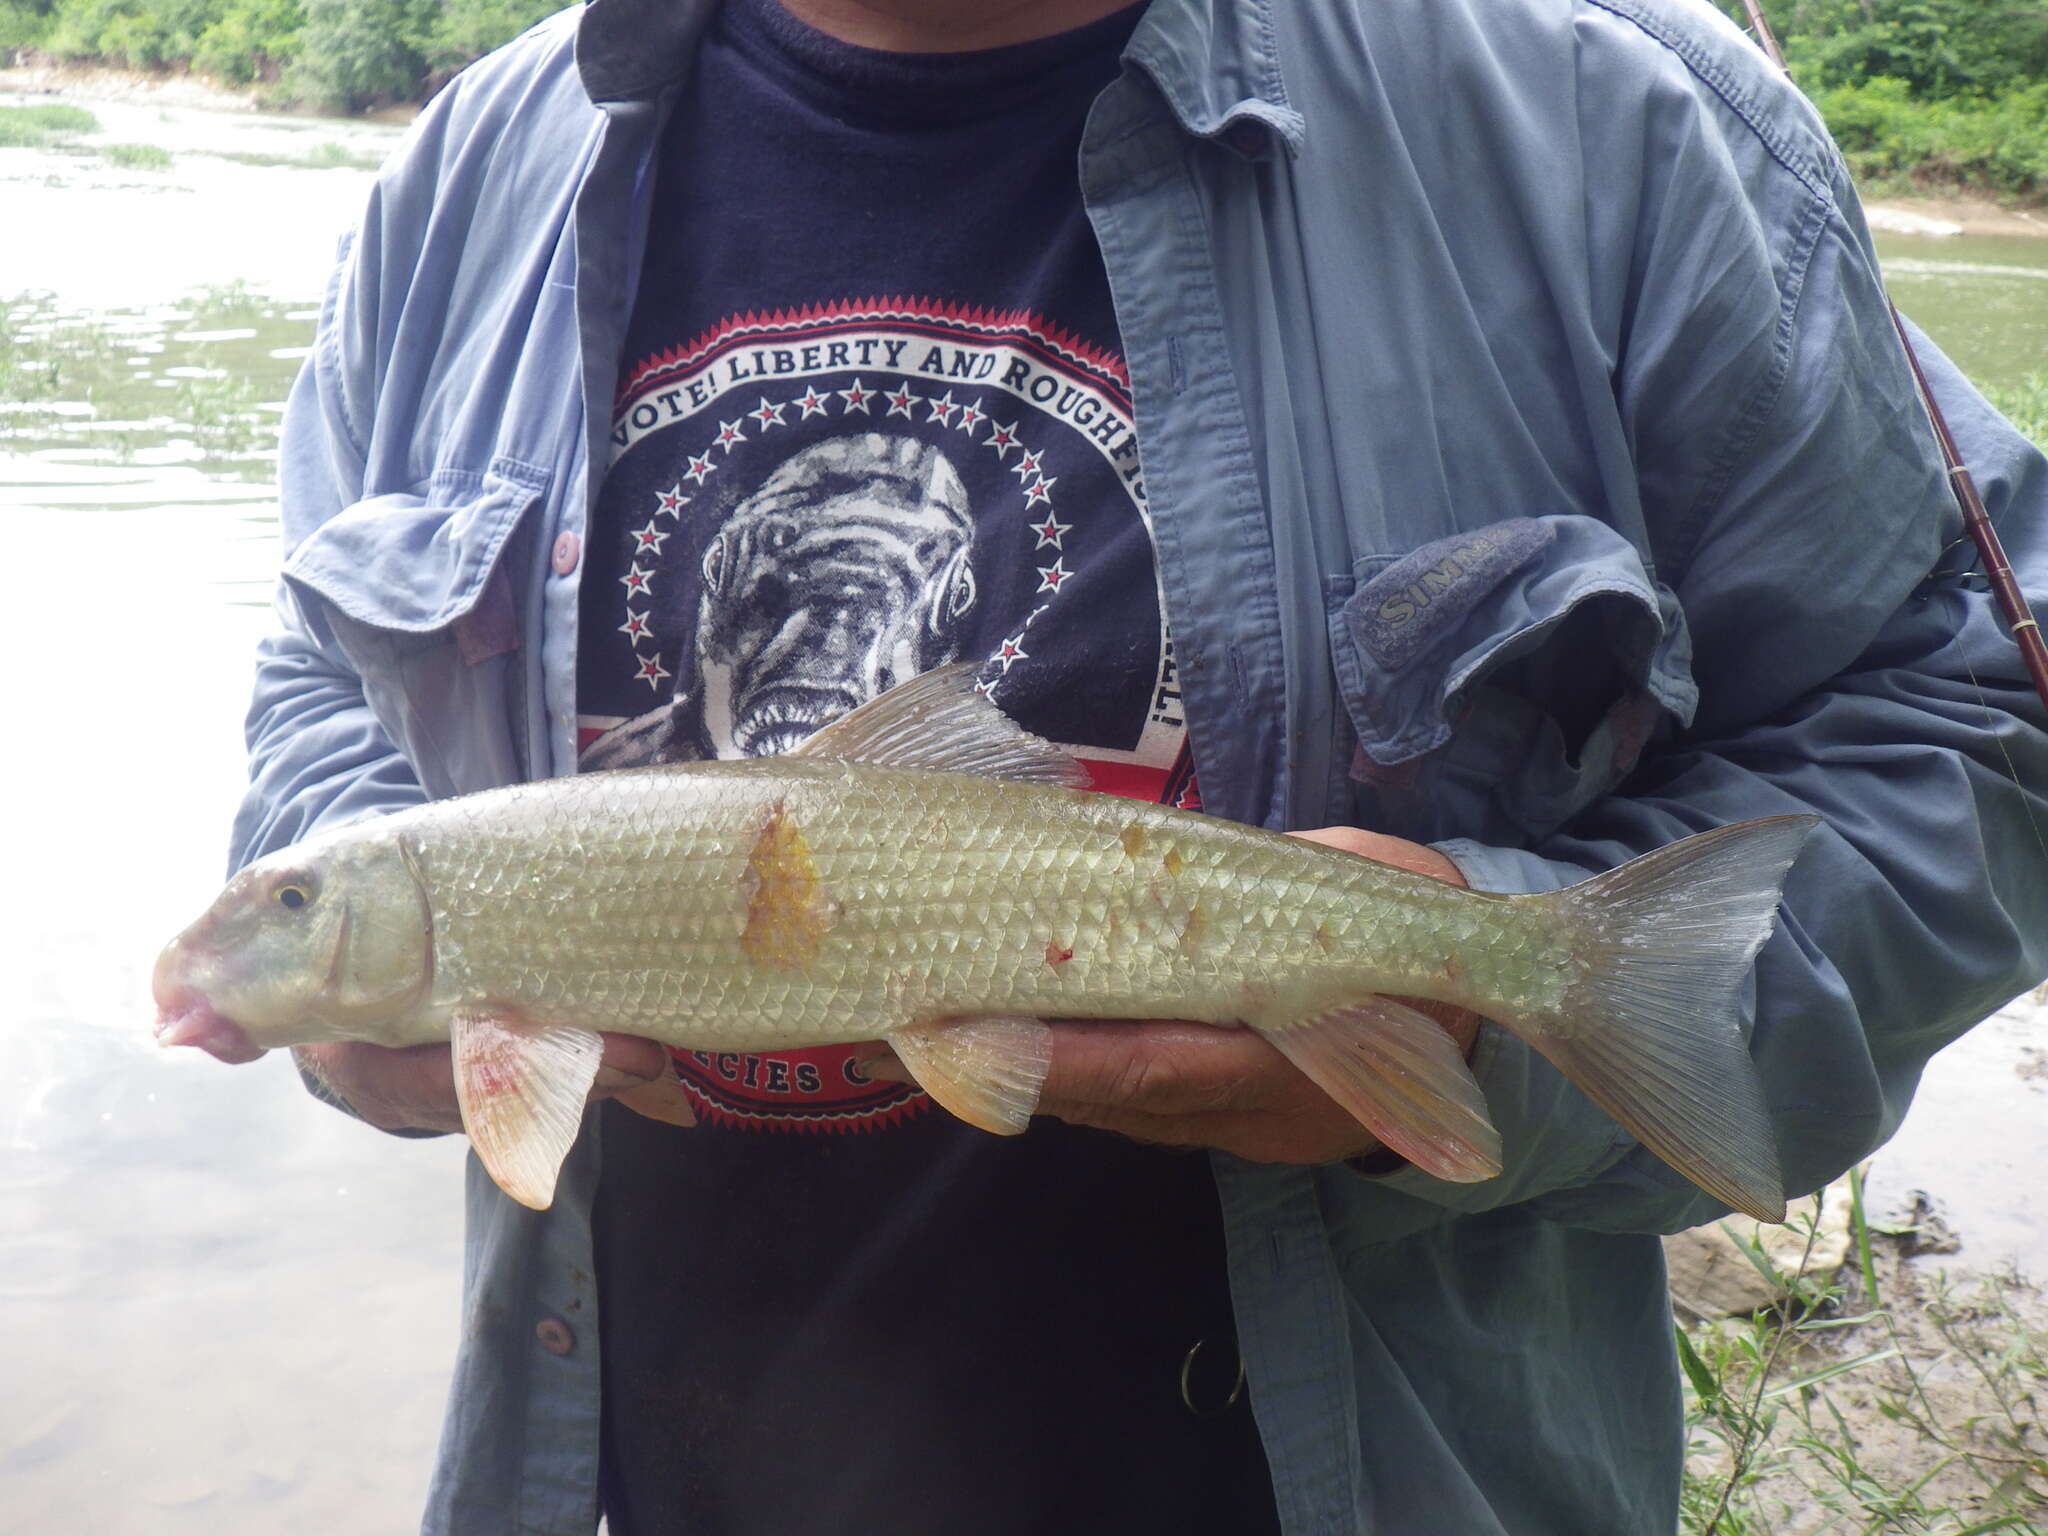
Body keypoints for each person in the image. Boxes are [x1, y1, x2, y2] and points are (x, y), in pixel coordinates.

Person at [227, 0, 2048, 1530]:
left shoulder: (1625, 117)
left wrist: (1505, 1000)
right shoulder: (461, 181)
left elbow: (1982, 717)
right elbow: (324, 691)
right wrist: (365, 972)